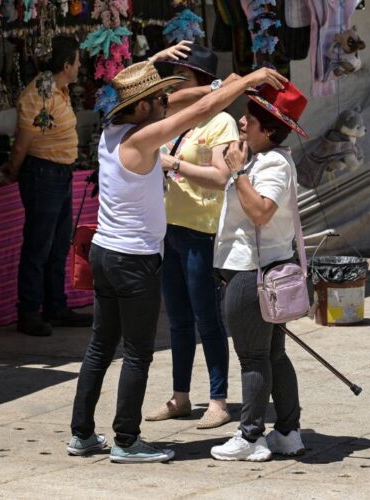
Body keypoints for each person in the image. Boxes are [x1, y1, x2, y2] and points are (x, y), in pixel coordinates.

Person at [67, 53, 287, 463]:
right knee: (137, 352)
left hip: (105, 253)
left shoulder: (112, 129)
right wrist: (247, 81)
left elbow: (190, 99)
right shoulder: (140, 139)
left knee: (100, 346)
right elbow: (198, 110)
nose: (166, 102)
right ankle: (127, 440)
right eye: (158, 99)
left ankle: (82, 434)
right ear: (143, 107)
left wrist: (219, 85)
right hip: (132, 261)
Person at [210, 81, 309, 462]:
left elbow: (261, 211)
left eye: (249, 118)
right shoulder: (261, 159)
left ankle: (251, 435)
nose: (241, 121)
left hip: (252, 271)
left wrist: (238, 173)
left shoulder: (271, 164)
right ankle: (287, 431)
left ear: (268, 129)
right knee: (273, 355)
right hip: (255, 269)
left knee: (254, 357)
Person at [145, 44, 238, 429]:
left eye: (182, 75)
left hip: (200, 229)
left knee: (207, 319)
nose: (176, 83)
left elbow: (220, 178)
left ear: (199, 79)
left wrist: (174, 164)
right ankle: (180, 396)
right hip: (168, 229)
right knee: (178, 320)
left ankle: (218, 400)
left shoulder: (222, 122)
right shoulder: (174, 117)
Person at [6, 35, 92, 337]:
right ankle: (29, 312)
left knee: (57, 245)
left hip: (59, 174)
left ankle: (55, 306)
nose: (80, 66)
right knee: (38, 245)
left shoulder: (59, 89)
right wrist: (14, 170)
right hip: (43, 174)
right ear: (66, 65)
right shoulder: (38, 93)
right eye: (78, 61)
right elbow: (23, 142)